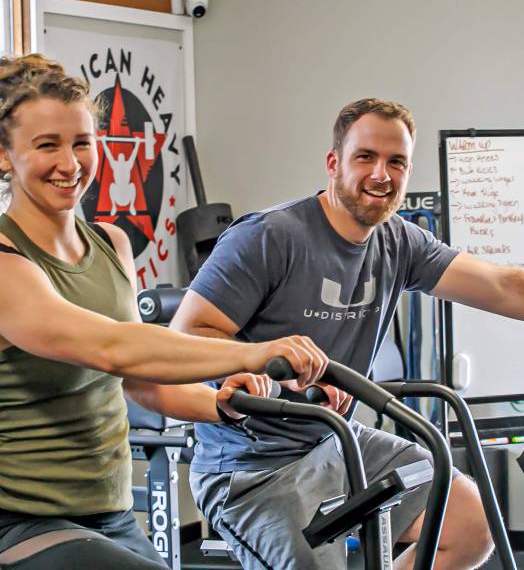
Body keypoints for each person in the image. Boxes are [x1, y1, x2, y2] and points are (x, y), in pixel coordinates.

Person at [171, 98, 524, 570]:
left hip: (336, 441)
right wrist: (269, 364)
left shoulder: (400, 240)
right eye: (365, 157)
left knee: (469, 524)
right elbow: (189, 332)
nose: (381, 174)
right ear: (334, 163)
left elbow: (502, 287)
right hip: (252, 468)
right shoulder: (269, 236)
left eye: (396, 162)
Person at [0, 53, 327, 570]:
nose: (70, 164)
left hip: (108, 512)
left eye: (82, 143)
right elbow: (112, 345)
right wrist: (252, 353)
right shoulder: (4, 262)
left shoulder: (110, 243)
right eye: (46, 146)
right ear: (4, 156)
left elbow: (140, 380)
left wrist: (219, 406)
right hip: (20, 520)